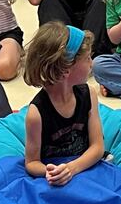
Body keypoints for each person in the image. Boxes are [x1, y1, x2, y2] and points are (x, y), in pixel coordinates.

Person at [23, 23, 104, 184]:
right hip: (56, 177)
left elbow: (97, 147)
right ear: (66, 69)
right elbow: (31, 163)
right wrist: (51, 172)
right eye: (87, 58)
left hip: (83, 167)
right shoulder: (36, 114)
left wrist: (71, 169)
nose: (92, 63)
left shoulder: (89, 94)